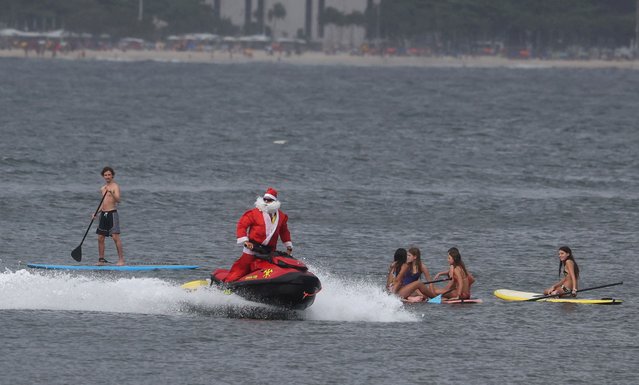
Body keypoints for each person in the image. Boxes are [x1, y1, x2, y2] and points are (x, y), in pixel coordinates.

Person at [224, 187, 293, 282]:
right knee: (241, 268)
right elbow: (242, 225)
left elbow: (284, 231)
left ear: (275, 202)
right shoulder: (254, 213)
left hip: (269, 251)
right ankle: (227, 285)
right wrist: (245, 241)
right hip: (252, 247)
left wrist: (288, 246)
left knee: (270, 269)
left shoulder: (281, 216)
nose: (266, 202)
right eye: (264, 199)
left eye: (269, 200)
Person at [95, 166, 125, 266]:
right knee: (100, 237)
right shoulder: (102, 188)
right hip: (103, 214)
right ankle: (101, 260)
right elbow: (103, 203)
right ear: (103, 176)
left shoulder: (115, 186)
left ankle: (121, 260)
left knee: (115, 237)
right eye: (105, 175)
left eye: (109, 175)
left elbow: (118, 200)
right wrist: (96, 212)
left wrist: (111, 192)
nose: (107, 176)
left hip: (112, 214)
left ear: (112, 176)